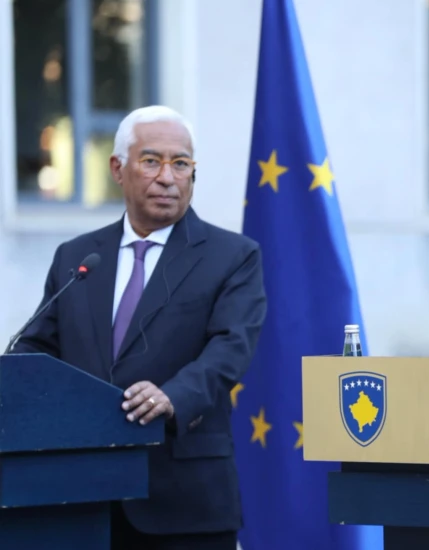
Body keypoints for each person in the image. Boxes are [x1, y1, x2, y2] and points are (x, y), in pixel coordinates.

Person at [11, 105, 267, 549]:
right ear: (118, 169)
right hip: (78, 500)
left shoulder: (232, 256)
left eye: (181, 164)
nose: (168, 178)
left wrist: (173, 396)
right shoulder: (77, 257)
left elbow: (230, 348)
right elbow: (34, 352)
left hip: (182, 502)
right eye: (151, 161)